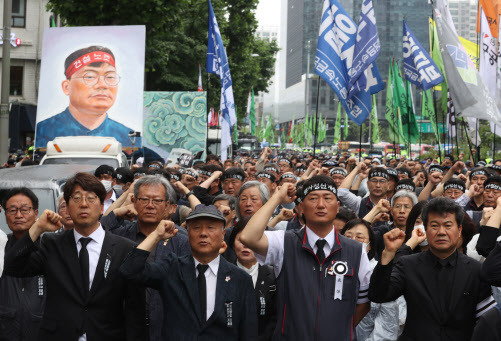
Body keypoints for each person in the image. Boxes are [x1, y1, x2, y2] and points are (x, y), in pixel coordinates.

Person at [3, 173, 146, 341]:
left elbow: (135, 311)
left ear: (102, 207)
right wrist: (37, 229)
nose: (83, 204)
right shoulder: (52, 244)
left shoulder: (125, 248)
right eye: (76, 199)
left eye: (91, 199)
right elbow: (13, 266)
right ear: (68, 207)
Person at [240, 175, 372, 340]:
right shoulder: (284, 242)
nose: (321, 205)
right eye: (313, 198)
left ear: (337, 207)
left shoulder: (356, 250)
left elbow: (363, 303)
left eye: (327, 198)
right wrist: (277, 197)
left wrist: (339, 329)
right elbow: (248, 237)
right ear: (301, 207)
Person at [120, 205, 258, 340]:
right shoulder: (172, 268)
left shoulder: (240, 279)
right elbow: (130, 270)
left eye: (211, 227)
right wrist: (156, 235)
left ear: (223, 234)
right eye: (196, 227)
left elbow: (248, 332)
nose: (203, 233)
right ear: (188, 232)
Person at [369, 197, 495, 341]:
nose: (441, 232)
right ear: (426, 229)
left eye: (448, 225)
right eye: (434, 226)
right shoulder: (408, 265)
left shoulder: (476, 270)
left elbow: (485, 321)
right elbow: (379, 295)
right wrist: (388, 254)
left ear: (459, 230)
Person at [35, 46, 138, 147]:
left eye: (110, 77)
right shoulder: (43, 131)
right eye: (90, 76)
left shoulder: (129, 138)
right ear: (67, 87)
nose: (102, 85)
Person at [341, 219, 401, 341]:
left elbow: (387, 327)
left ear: (370, 245)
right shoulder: (330, 269)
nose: (353, 241)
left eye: (359, 237)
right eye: (348, 236)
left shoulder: (380, 273)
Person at [0, 188, 46, 340]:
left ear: (36, 213)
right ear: (5, 215)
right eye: (12, 210)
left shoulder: (49, 247)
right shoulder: (1, 246)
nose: (18, 215)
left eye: (25, 210)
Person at [229, 218, 277, 341]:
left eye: (252, 240)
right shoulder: (222, 274)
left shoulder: (274, 276)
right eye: (241, 240)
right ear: (232, 243)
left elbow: (275, 319)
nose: (246, 245)